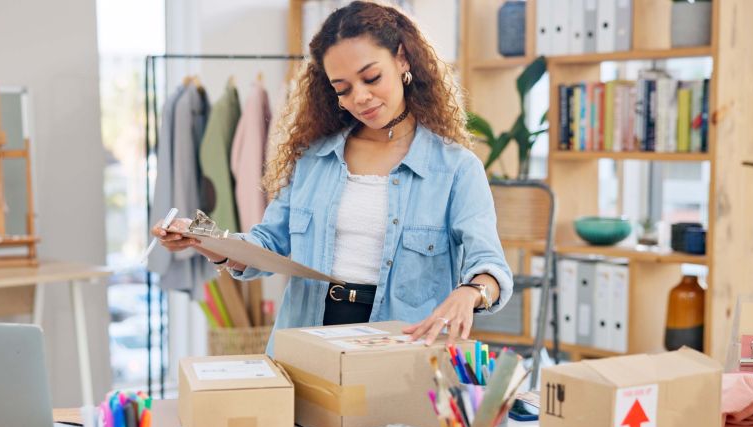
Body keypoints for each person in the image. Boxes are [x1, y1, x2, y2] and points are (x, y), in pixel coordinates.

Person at [152, 1, 512, 354]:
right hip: (308, 338)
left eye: (371, 78)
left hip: (400, 346)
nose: (361, 97)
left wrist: (472, 292)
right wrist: (208, 241)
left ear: (402, 59)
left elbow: (491, 266)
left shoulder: (455, 168)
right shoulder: (313, 160)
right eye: (343, 89)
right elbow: (268, 244)